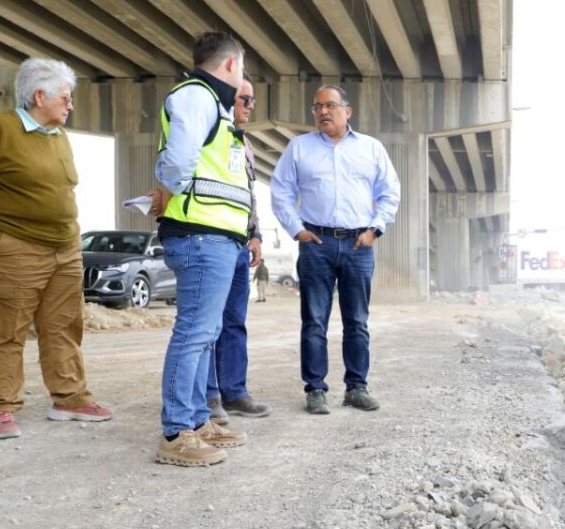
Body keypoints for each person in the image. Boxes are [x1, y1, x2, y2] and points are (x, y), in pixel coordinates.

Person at [0, 58, 113, 439]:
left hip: (64, 249)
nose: (71, 105)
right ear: (39, 95)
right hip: (10, 247)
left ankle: (69, 398)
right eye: (65, 97)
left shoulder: (58, 137)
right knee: (3, 329)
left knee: (63, 326)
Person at [271, 85, 400, 415]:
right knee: (314, 320)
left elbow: (390, 192)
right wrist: (296, 229)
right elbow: (281, 191)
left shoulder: (371, 149)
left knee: (356, 320)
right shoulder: (299, 148)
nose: (323, 112)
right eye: (317, 107)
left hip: (359, 244)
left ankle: (357, 387)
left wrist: (375, 229)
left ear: (348, 111)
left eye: (330, 105)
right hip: (317, 243)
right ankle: (315, 389)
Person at [153, 32, 251, 466]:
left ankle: (195, 419)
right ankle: (176, 432)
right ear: (230, 65)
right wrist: (167, 188)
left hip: (217, 234)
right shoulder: (197, 95)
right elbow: (178, 160)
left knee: (205, 333)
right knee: (194, 333)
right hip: (199, 233)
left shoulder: (215, 104)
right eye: (243, 68)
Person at [203, 73, 271, 425]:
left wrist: (256, 233)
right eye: (245, 99)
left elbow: (248, 193)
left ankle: (234, 391)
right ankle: (210, 396)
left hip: (240, 243)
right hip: (213, 241)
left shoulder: (244, 143)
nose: (250, 106)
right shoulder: (209, 133)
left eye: (252, 100)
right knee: (209, 324)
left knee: (234, 322)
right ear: (228, 99)